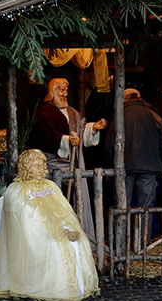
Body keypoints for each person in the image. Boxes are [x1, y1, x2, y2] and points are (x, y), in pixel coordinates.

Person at [0, 149, 99, 301]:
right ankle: (50, 289)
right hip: (37, 237)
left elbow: (63, 211)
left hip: (59, 229)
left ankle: (79, 288)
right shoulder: (16, 192)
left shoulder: (50, 186)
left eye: (44, 166)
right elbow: (29, 222)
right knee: (56, 246)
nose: (45, 170)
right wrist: (54, 233)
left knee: (79, 243)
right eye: (40, 166)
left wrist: (66, 228)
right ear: (28, 167)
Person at [28, 77, 107, 240]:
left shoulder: (72, 112)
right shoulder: (45, 111)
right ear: (52, 92)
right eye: (61, 90)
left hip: (74, 163)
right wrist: (65, 140)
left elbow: (81, 129)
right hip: (54, 163)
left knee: (76, 197)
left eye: (65, 90)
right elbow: (47, 135)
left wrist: (92, 128)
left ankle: (79, 231)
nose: (64, 94)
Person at [106, 88, 162, 208]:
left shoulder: (119, 117)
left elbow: (110, 144)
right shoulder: (154, 115)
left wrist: (110, 166)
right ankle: (143, 227)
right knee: (145, 208)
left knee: (122, 207)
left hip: (124, 168)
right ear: (139, 98)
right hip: (149, 167)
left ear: (123, 100)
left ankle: (123, 227)